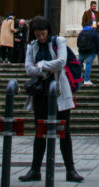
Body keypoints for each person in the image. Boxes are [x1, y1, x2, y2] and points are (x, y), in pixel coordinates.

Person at [19, 16, 84, 183]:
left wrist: (39, 66)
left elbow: (61, 62)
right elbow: (27, 68)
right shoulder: (31, 46)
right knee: (40, 131)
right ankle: (35, 170)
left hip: (59, 91)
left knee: (64, 132)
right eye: (37, 34)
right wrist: (45, 69)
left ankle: (71, 170)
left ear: (48, 31)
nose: (40, 37)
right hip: (40, 93)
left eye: (43, 34)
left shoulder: (59, 41)